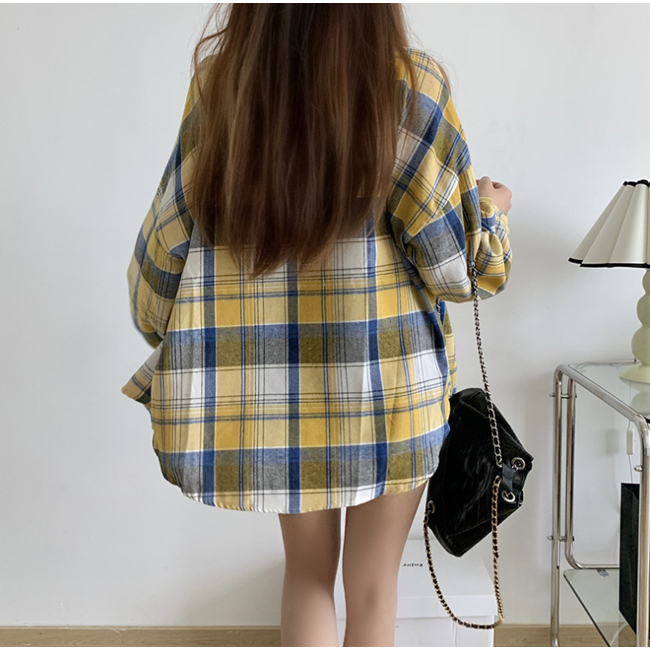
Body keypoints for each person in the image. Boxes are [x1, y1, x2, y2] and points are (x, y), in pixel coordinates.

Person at [121, 4, 513, 648]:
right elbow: (460, 270)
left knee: (306, 575)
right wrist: (492, 211)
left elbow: (166, 244)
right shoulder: (412, 86)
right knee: (374, 587)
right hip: (392, 393)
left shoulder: (225, 85)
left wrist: (156, 327)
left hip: (273, 398)